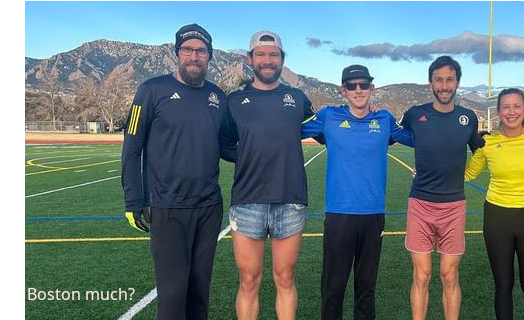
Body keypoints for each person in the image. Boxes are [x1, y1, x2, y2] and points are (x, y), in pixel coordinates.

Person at [121, 23, 226, 320]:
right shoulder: (151, 90)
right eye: (188, 49)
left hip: (209, 207)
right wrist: (133, 200)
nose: (194, 56)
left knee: (199, 292)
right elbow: (131, 147)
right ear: (176, 52)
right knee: (172, 295)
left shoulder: (217, 96)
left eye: (201, 50)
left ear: (210, 56)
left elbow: (229, 145)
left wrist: (268, 150)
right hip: (167, 207)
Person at [299, 65, 413, 320]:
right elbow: (289, 131)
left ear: (372, 88)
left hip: (374, 215)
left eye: (364, 85)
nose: (358, 90)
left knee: (366, 288)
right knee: (333, 287)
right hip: (339, 215)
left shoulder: (383, 119)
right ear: (343, 90)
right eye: (352, 85)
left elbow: (419, 139)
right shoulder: (328, 116)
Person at [219, 31, 316, 320]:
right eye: (260, 54)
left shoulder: (298, 98)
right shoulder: (234, 100)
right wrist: (251, 155)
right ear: (250, 59)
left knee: (285, 279)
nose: (267, 60)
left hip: (290, 199)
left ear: (282, 60)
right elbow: (224, 144)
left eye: (273, 54)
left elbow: (324, 128)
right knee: (249, 281)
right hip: (248, 200)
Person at [400, 55, 485, 320]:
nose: (444, 85)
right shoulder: (415, 115)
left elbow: (483, 150)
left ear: (457, 82)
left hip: (453, 206)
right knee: (422, 275)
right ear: (430, 83)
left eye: (449, 79)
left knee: (449, 275)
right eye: (439, 80)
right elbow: (392, 136)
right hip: (421, 205)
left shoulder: (468, 118)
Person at [465, 88, 524, 320]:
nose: (511, 112)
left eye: (516, 107)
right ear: (498, 112)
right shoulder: (489, 143)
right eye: (506, 107)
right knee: (503, 287)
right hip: (497, 218)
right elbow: (467, 174)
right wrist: (427, 172)